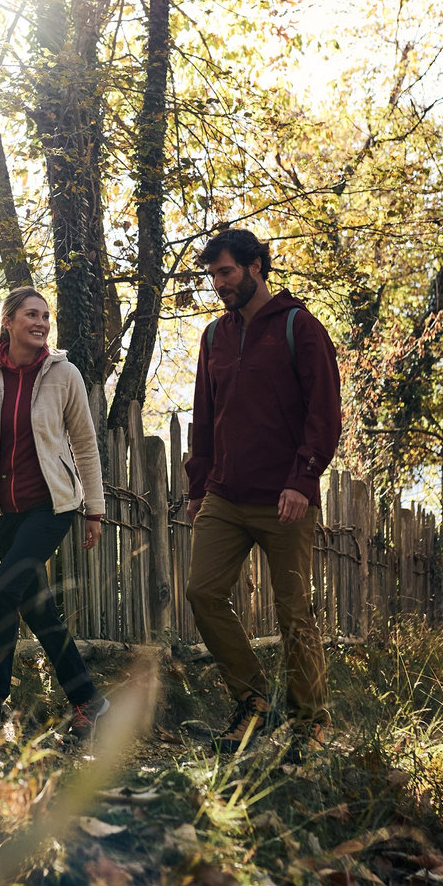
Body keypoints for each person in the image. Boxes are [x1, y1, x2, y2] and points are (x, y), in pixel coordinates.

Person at [184, 227, 342, 754]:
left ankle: (309, 723)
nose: (218, 285)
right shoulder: (215, 338)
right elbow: (203, 417)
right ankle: (254, 702)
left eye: (225, 273)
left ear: (256, 266)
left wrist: (303, 480)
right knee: (202, 593)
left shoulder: (301, 328)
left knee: (294, 611)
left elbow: (324, 415)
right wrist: (196, 485)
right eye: (213, 276)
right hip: (225, 495)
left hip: (285, 500)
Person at [0, 286, 110, 741]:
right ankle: (88, 701)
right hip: (3, 509)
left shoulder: (65, 374)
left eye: (45, 316)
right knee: (38, 610)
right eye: (31, 315)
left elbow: (85, 445)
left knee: (2, 591)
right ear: (9, 321)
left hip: (52, 506)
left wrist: (93, 509)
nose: (40, 323)